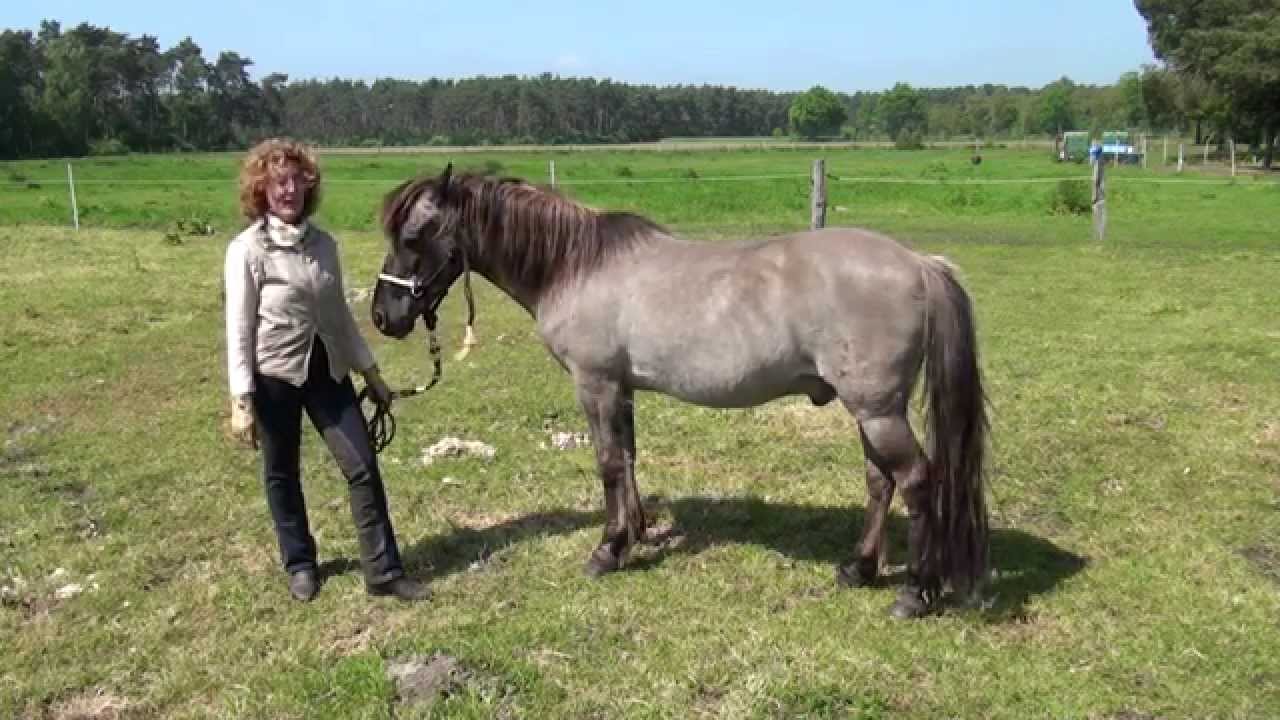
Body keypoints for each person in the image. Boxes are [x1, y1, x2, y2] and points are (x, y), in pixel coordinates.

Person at [224, 137, 427, 603]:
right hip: (273, 374)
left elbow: (339, 318)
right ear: (262, 189)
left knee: (362, 466)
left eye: (297, 180)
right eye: (278, 182)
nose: (289, 189)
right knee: (282, 472)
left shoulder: (323, 245)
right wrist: (241, 399)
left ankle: (383, 572)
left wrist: (372, 375)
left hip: (328, 370)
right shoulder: (247, 250)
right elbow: (238, 327)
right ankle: (300, 565)